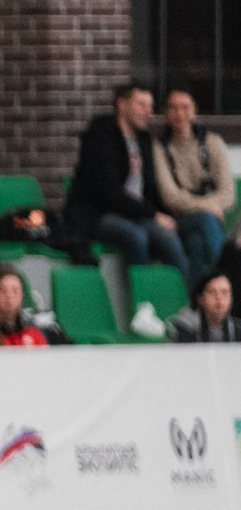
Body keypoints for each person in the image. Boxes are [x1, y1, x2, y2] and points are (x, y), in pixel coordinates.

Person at [67, 83, 187, 274]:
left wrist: (165, 214)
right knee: (135, 237)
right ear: (122, 105)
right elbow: (109, 194)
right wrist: (154, 214)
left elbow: (150, 188)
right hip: (100, 213)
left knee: (168, 238)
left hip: (136, 213)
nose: (148, 112)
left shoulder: (144, 139)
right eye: (141, 105)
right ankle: (143, 297)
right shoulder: (101, 137)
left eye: (150, 106)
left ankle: (188, 297)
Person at [154, 89, 233, 287]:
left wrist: (210, 207)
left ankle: (198, 300)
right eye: (173, 108)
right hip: (178, 220)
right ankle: (226, 281)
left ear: (194, 111)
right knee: (205, 220)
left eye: (185, 107)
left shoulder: (213, 143)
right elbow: (170, 196)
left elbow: (228, 193)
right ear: (166, 113)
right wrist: (207, 207)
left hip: (211, 221)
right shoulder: (159, 149)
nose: (179, 114)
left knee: (196, 243)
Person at [0, 268, 52, 347]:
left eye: (15, 290)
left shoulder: (32, 329)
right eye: (3, 290)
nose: (9, 296)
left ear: (22, 296)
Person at [167, 270, 241, 342]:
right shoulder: (184, 326)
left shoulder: (237, 328)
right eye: (212, 292)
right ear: (200, 298)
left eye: (224, 293)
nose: (219, 298)